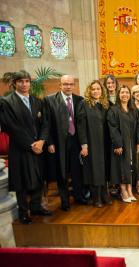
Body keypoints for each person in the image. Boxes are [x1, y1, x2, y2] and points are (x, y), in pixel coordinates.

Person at [0, 70, 52, 224]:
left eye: (27, 81)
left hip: (38, 146)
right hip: (20, 147)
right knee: (21, 181)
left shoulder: (37, 101)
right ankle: (23, 212)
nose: (24, 84)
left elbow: (45, 123)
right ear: (15, 83)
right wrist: (31, 145)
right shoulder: (6, 102)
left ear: (30, 83)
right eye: (21, 81)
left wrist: (42, 140)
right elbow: (10, 126)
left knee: (38, 176)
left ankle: (36, 206)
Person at [44, 75, 87, 212]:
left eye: (71, 84)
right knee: (61, 171)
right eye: (65, 84)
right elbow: (46, 123)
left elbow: (82, 123)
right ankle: (64, 201)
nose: (68, 86)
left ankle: (79, 196)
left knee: (77, 171)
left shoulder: (79, 100)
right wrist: (49, 142)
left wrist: (84, 143)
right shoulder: (50, 100)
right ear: (60, 85)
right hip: (58, 142)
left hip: (76, 141)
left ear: (74, 85)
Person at [77, 80, 111, 208]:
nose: (96, 91)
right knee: (93, 169)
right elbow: (81, 126)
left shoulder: (105, 104)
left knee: (104, 169)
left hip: (104, 143)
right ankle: (95, 196)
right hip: (91, 142)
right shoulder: (84, 104)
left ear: (102, 90)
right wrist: (84, 144)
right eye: (93, 89)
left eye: (98, 89)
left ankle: (104, 193)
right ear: (89, 91)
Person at [107, 85, 139, 203]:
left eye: (127, 92)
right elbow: (113, 128)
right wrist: (118, 144)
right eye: (122, 92)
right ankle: (123, 190)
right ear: (118, 95)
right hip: (121, 144)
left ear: (130, 95)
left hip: (132, 144)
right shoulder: (114, 110)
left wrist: (138, 142)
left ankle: (129, 189)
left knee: (131, 167)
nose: (124, 95)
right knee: (121, 167)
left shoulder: (133, 110)